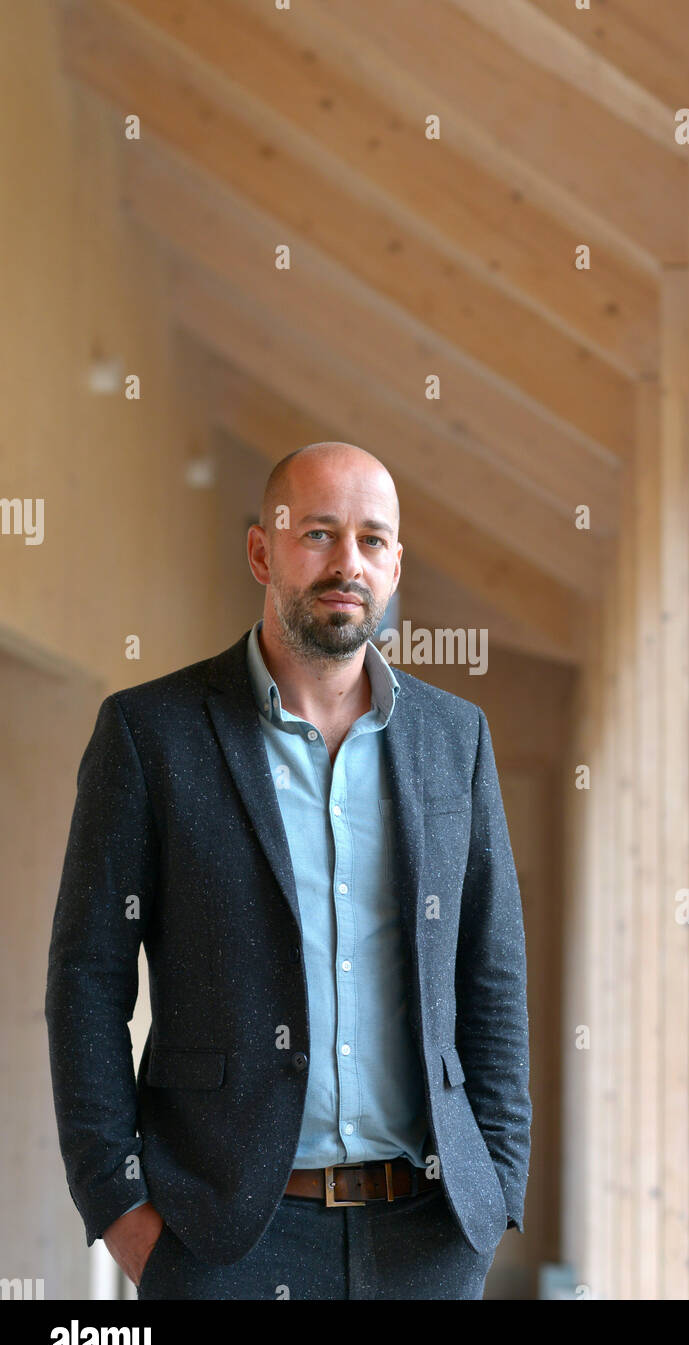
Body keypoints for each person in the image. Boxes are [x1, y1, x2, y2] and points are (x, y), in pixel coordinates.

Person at [45, 440, 531, 1300]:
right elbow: (86, 982)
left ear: (395, 565)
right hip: (221, 1241)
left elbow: (491, 976)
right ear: (262, 551)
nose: (348, 563)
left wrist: (493, 1190)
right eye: (319, 533)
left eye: (373, 540)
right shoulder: (151, 735)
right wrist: (119, 1205)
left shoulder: (456, 741)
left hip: (426, 1236)